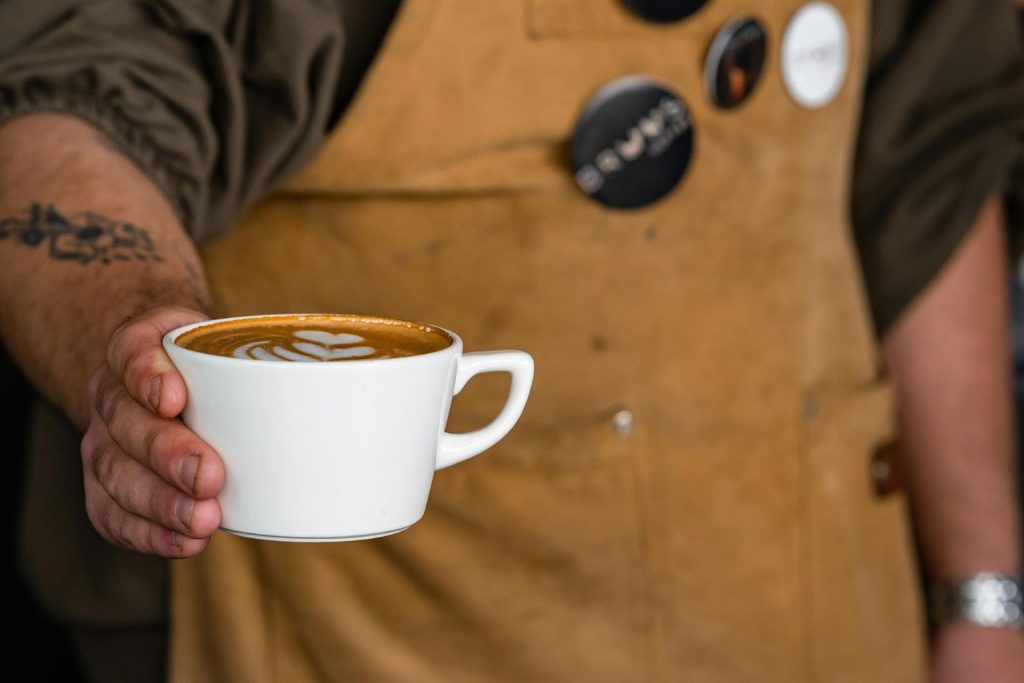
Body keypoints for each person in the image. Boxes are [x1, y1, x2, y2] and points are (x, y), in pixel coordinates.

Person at [1, 0, 1022, 680]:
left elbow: (928, 171)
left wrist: (985, 597)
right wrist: (134, 338)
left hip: (821, 616)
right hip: (355, 635)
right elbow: (59, 114)